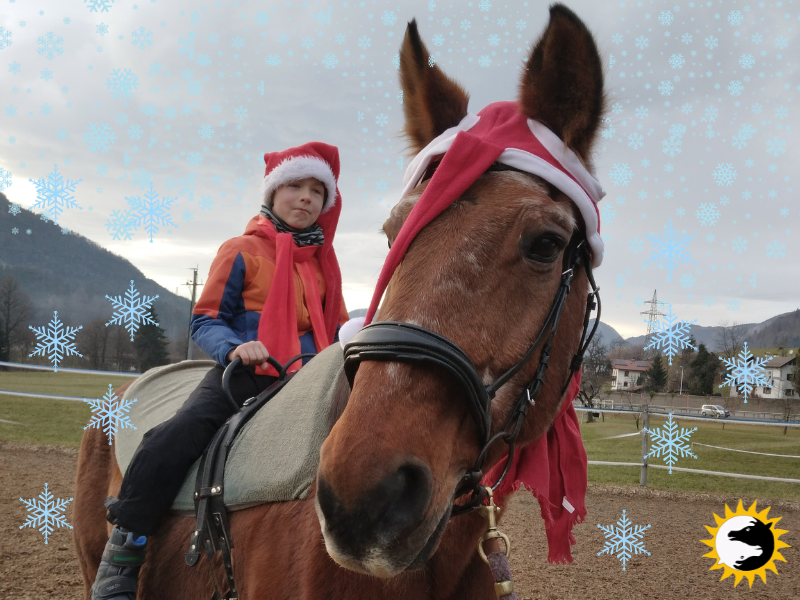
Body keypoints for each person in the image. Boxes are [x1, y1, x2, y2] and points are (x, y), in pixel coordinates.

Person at [90, 141, 350, 600]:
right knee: (175, 436)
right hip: (247, 373)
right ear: (272, 193)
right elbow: (205, 318)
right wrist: (235, 347)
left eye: (316, 191)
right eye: (295, 186)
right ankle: (124, 551)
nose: (306, 198)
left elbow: (337, 327)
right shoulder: (241, 250)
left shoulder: (325, 266)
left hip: (309, 382)